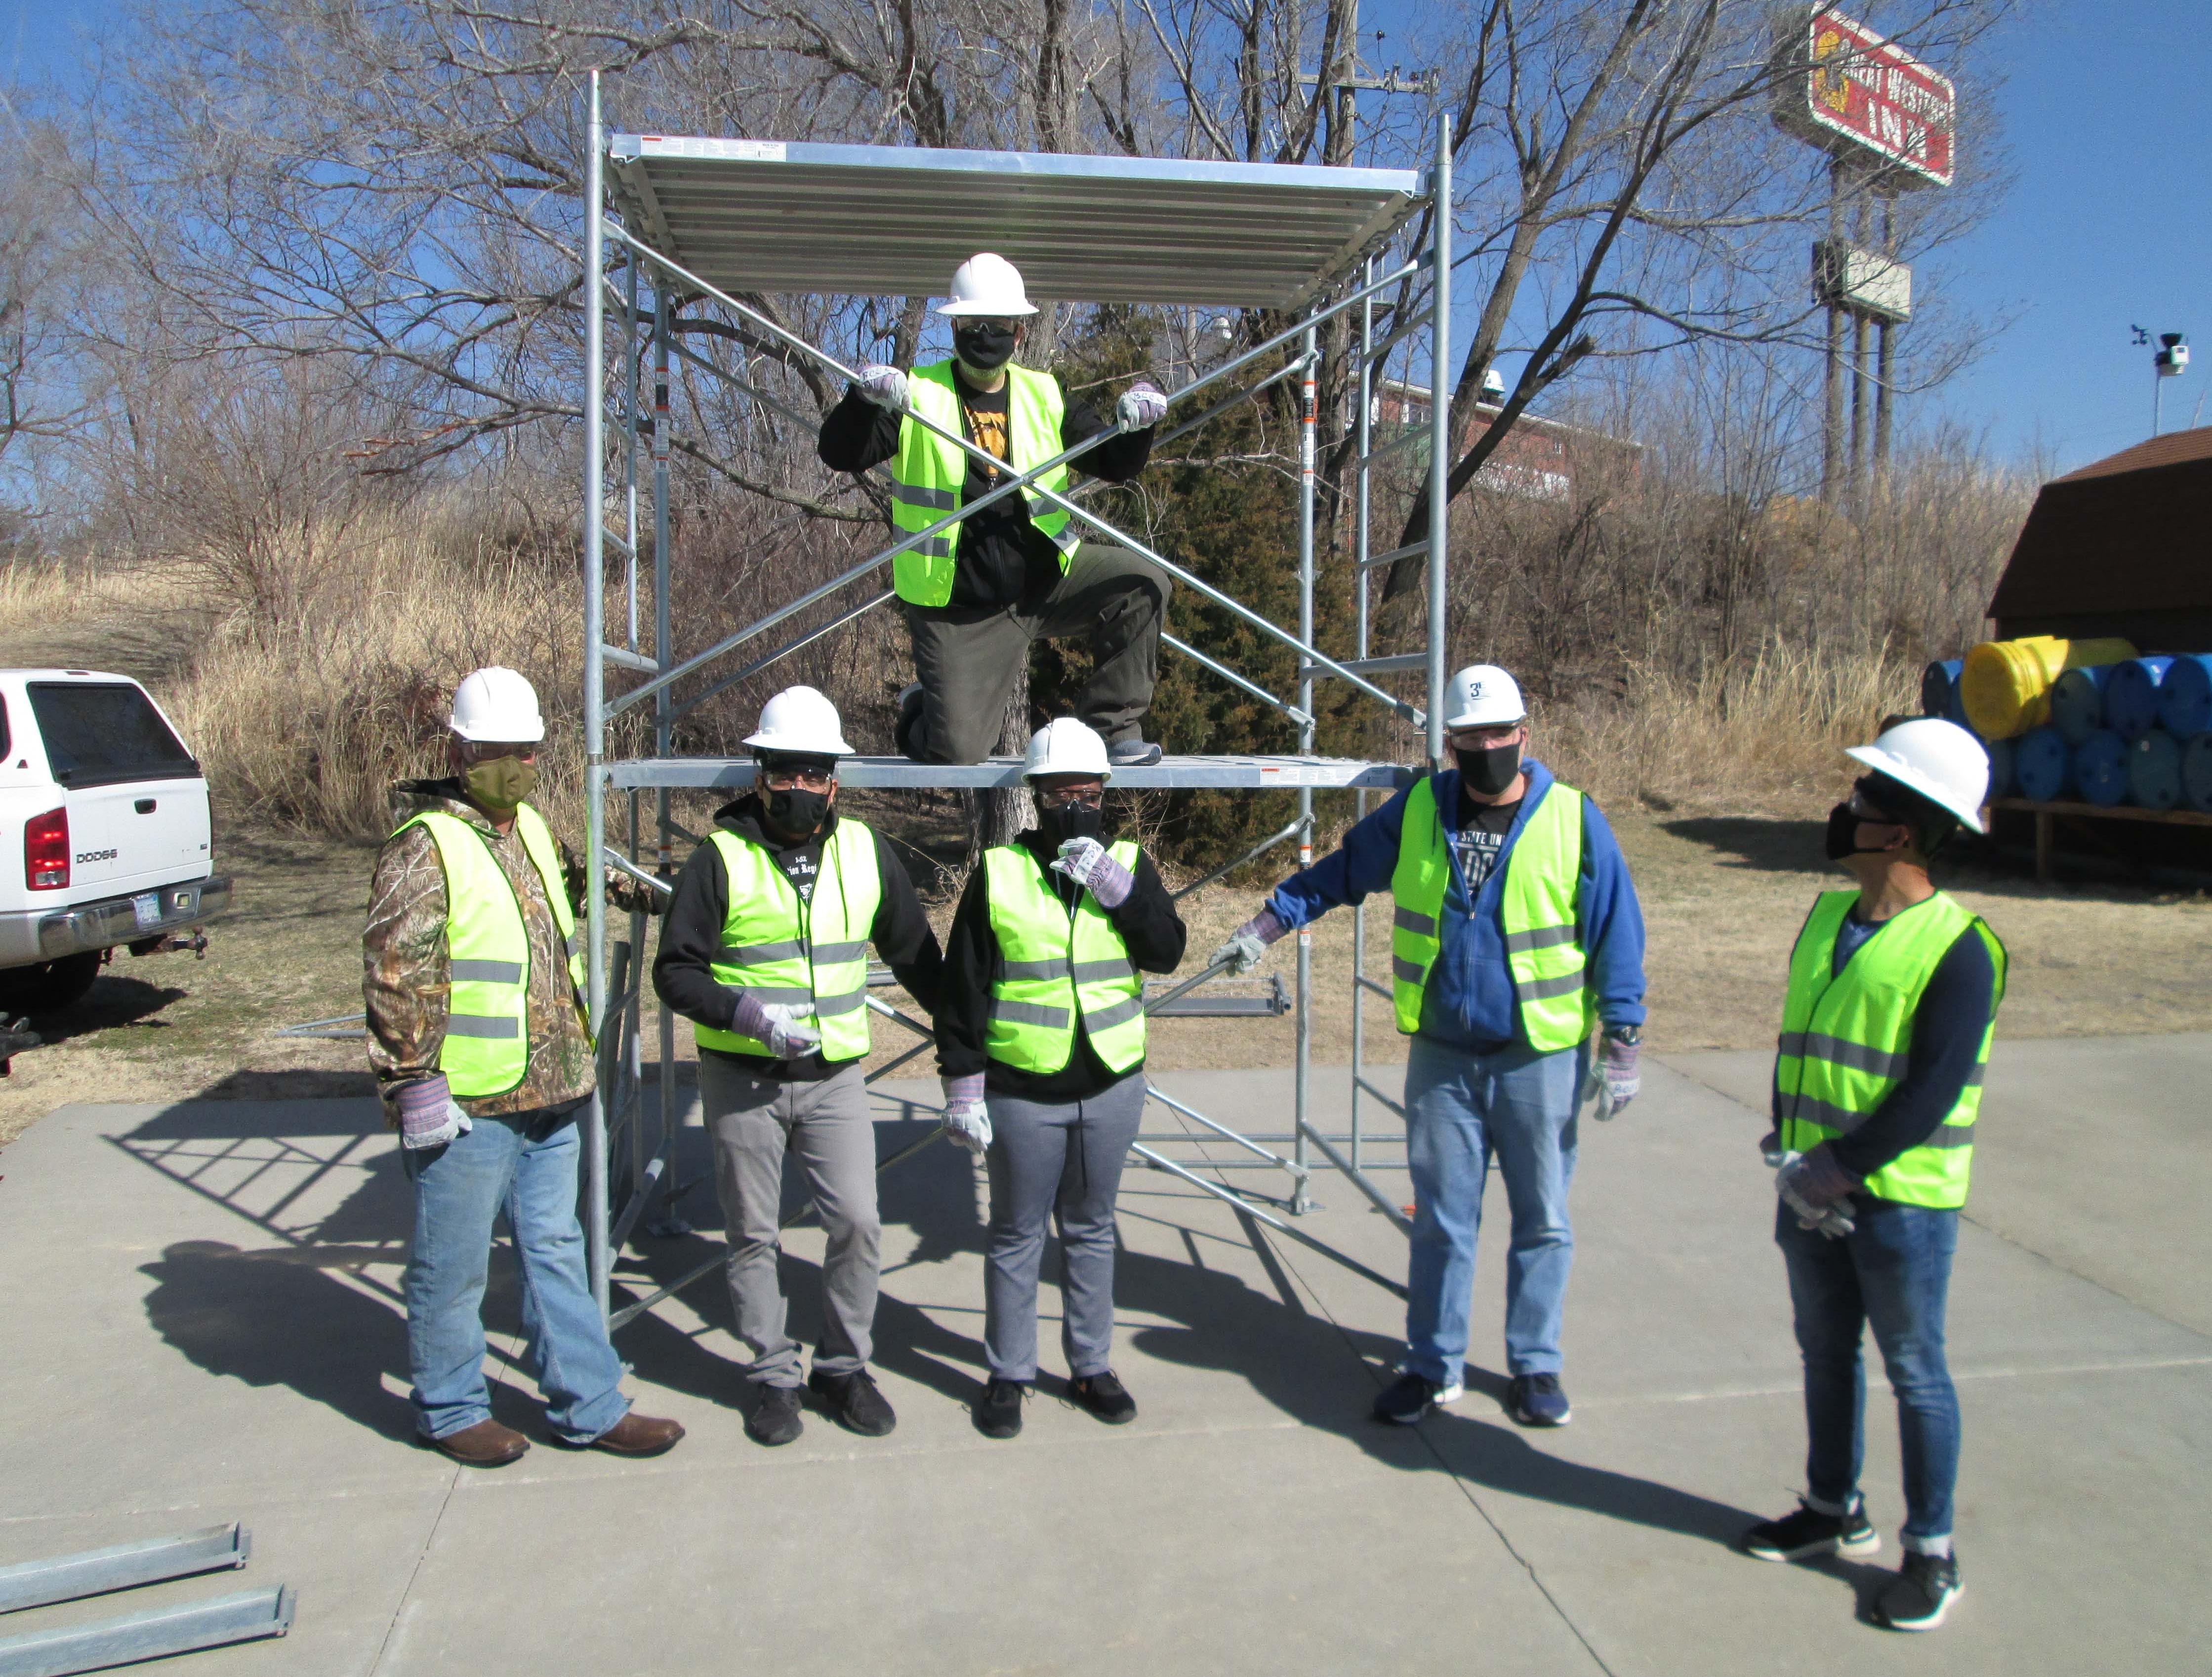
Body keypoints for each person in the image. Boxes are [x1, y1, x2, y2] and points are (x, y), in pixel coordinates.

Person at [1212, 665, 1646, 1429]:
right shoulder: (1418, 812)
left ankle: (1535, 1365)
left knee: (1541, 1217)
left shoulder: (1574, 820)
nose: (1484, 749)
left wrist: (1624, 1037)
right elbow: (1341, 873)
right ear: (1448, 744)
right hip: (1442, 1058)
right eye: (1468, 738)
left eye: (1497, 735)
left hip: (1536, 1057)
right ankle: (1430, 1362)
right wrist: (1267, 925)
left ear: (1524, 736)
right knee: (1443, 1218)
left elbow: (1615, 927)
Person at [364, 667, 684, 1467]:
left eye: (528, 751)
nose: (516, 764)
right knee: (455, 1262)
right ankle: (448, 1407)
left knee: (554, 1249)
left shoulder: (533, 828)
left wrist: (681, 891)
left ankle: (589, 1403)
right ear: (461, 750)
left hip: (555, 1086)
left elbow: (591, 884)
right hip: (468, 1100)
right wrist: (413, 1085)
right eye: (498, 750)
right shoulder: (424, 845)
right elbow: (395, 973)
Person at [1742, 718, 2004, 1634]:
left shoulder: (1960, 949)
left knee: (1914, 1370)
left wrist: (1837, 1170)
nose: (1843, 808)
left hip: (1898, 1206)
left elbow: (1928, 1090)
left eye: (1862, 798)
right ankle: (1830, 1505)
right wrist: (1789, 1146)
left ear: (1899, 830)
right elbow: (1801, 1047)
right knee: (1823, 1350)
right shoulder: (1825, 919)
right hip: (1809, 1187)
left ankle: (1930, 1550)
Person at [652, 687, 944, 1447]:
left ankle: (843, 1367)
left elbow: (915, 953)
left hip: (835, 1080)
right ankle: (772, 1375)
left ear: (834, 783)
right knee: (752, 1235)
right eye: (785, 771)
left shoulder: (863, 850)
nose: (799, 787)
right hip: (742, 1080)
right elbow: (675, 971)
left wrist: (970, 1036)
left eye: (814, 774)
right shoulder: (720, 858)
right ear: (761, 775)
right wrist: (744, 1014)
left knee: (857, 1221)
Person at [817, 252, 1173, 768]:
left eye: (998, 324)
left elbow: (1113, 462)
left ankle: (1113, 727)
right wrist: (863, 402)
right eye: (973, 324)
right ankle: (925, 709)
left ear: (1019, 332)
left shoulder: (1045, 394)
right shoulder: (917, 394)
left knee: (1142, 583)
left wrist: (1137, 426)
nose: (985, 334)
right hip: (959, 606)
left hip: (1047, 583)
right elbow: (840, 453)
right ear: (954, 326)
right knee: (957, 753)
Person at [934, 718, 1188, 1438]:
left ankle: (1090, 1364)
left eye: (1089, 790)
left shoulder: (1131, 864)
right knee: (1015, 1233)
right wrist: (962, 1084)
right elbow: (965, 990)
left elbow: (1166, 951)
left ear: (1105, 792)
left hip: (1110, 1082)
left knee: (1091, 1227)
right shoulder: (998, 872)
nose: (1076, 803)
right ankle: (1009, 1371)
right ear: (1035, 797)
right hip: (1024, 1089)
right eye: (1060, 792)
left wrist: (1121, 892)